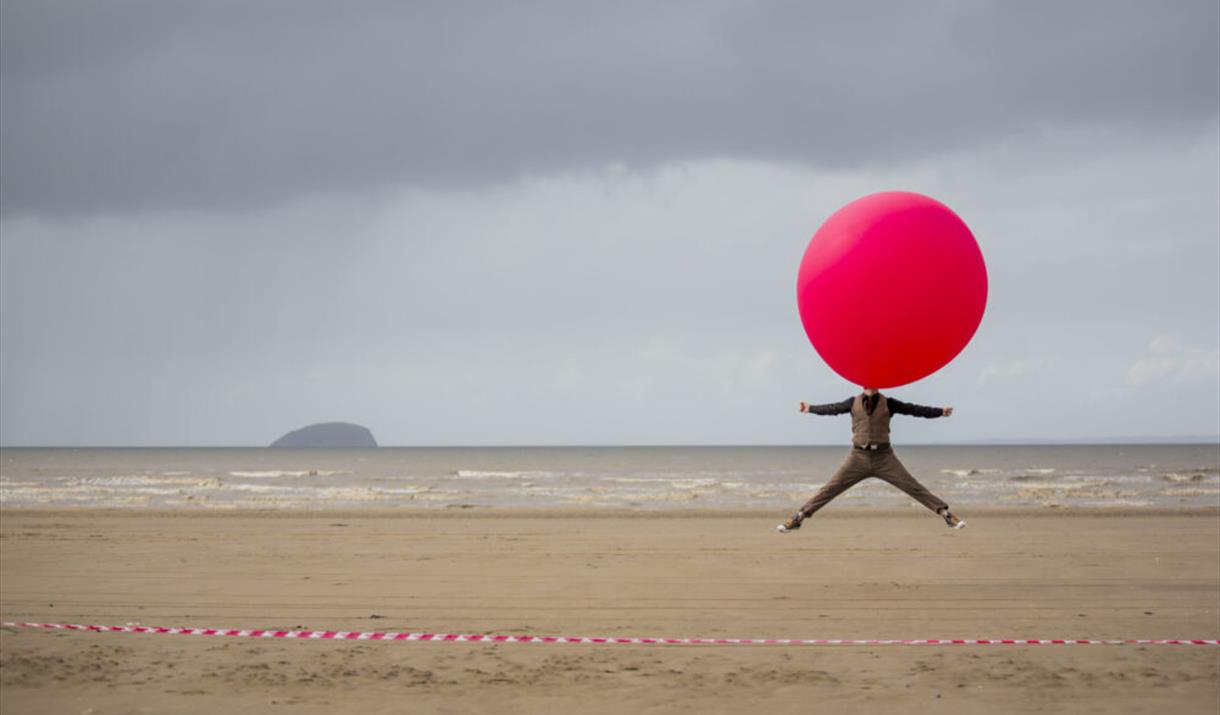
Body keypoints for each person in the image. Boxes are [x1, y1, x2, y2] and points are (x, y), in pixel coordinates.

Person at [777, 388, 965, 533]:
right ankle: (798, 518)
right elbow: (832, 409)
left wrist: (939, 412)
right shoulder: (852, 402)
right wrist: (810, 408)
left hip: (884, 457)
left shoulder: (889, 403)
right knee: (830, 488)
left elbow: (913, 409)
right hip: (858, 457)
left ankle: (946, 514)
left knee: (913, 486)